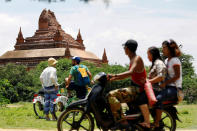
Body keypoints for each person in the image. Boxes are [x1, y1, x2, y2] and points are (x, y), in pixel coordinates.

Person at [108, 39, 150, 129]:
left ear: (127, 48)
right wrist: (113, 79)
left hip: (138, 89)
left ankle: (121, 121)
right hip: (135, 87)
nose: (124, 49)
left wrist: (114, 74)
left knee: (111, 95)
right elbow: (126, 75)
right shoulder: (133, 59)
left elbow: (130, 72)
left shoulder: (137, 58)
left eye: (124, 48)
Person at [154, 39, 182, 128]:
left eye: (164, 48)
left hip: (174, 89)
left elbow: (177, 76)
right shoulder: (166, 60)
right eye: (162, 48)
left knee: (158, 99)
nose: (163, 50)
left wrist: (164, 83)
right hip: (167, 87)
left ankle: (157, 123)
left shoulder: (175, 60)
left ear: (170, 49)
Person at [147, 46, 167, 128]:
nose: (147, 56)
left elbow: (161, 77)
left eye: (148, 54)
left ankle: (156, 122)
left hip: (156, 89)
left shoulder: (159, 63)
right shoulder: (154, 63)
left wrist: (149, 81)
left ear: (152, 54)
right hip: (151, 89)